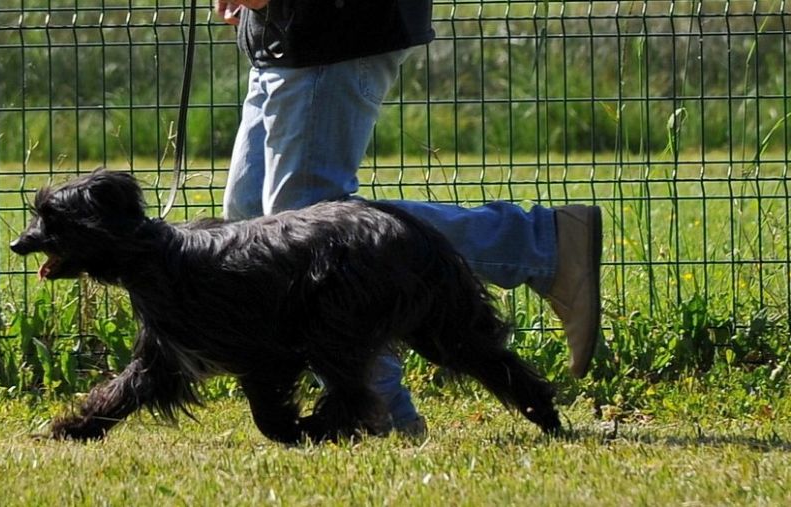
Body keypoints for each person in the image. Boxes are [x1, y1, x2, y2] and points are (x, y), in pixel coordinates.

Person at [214, 0, 602, 436]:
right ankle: (539, 244)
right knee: (252, 218)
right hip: (284, 33)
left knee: (306, 228)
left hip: (330, 27)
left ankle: (378, 413)